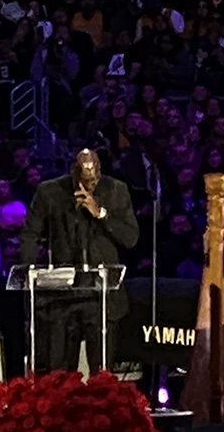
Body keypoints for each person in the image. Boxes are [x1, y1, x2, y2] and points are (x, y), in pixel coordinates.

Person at [19, 148, 139, 372]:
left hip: (102, 295)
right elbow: (30, 234)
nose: (89, 183)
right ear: (74, 170)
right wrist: (31, 272)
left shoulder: (116, 190)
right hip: (62, 295)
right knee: (60, 374)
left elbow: (130, 238)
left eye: (93, 178)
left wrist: (100, 213)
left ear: (99, 170)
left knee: (101, 373)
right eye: (84, 177)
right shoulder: (50, 192)